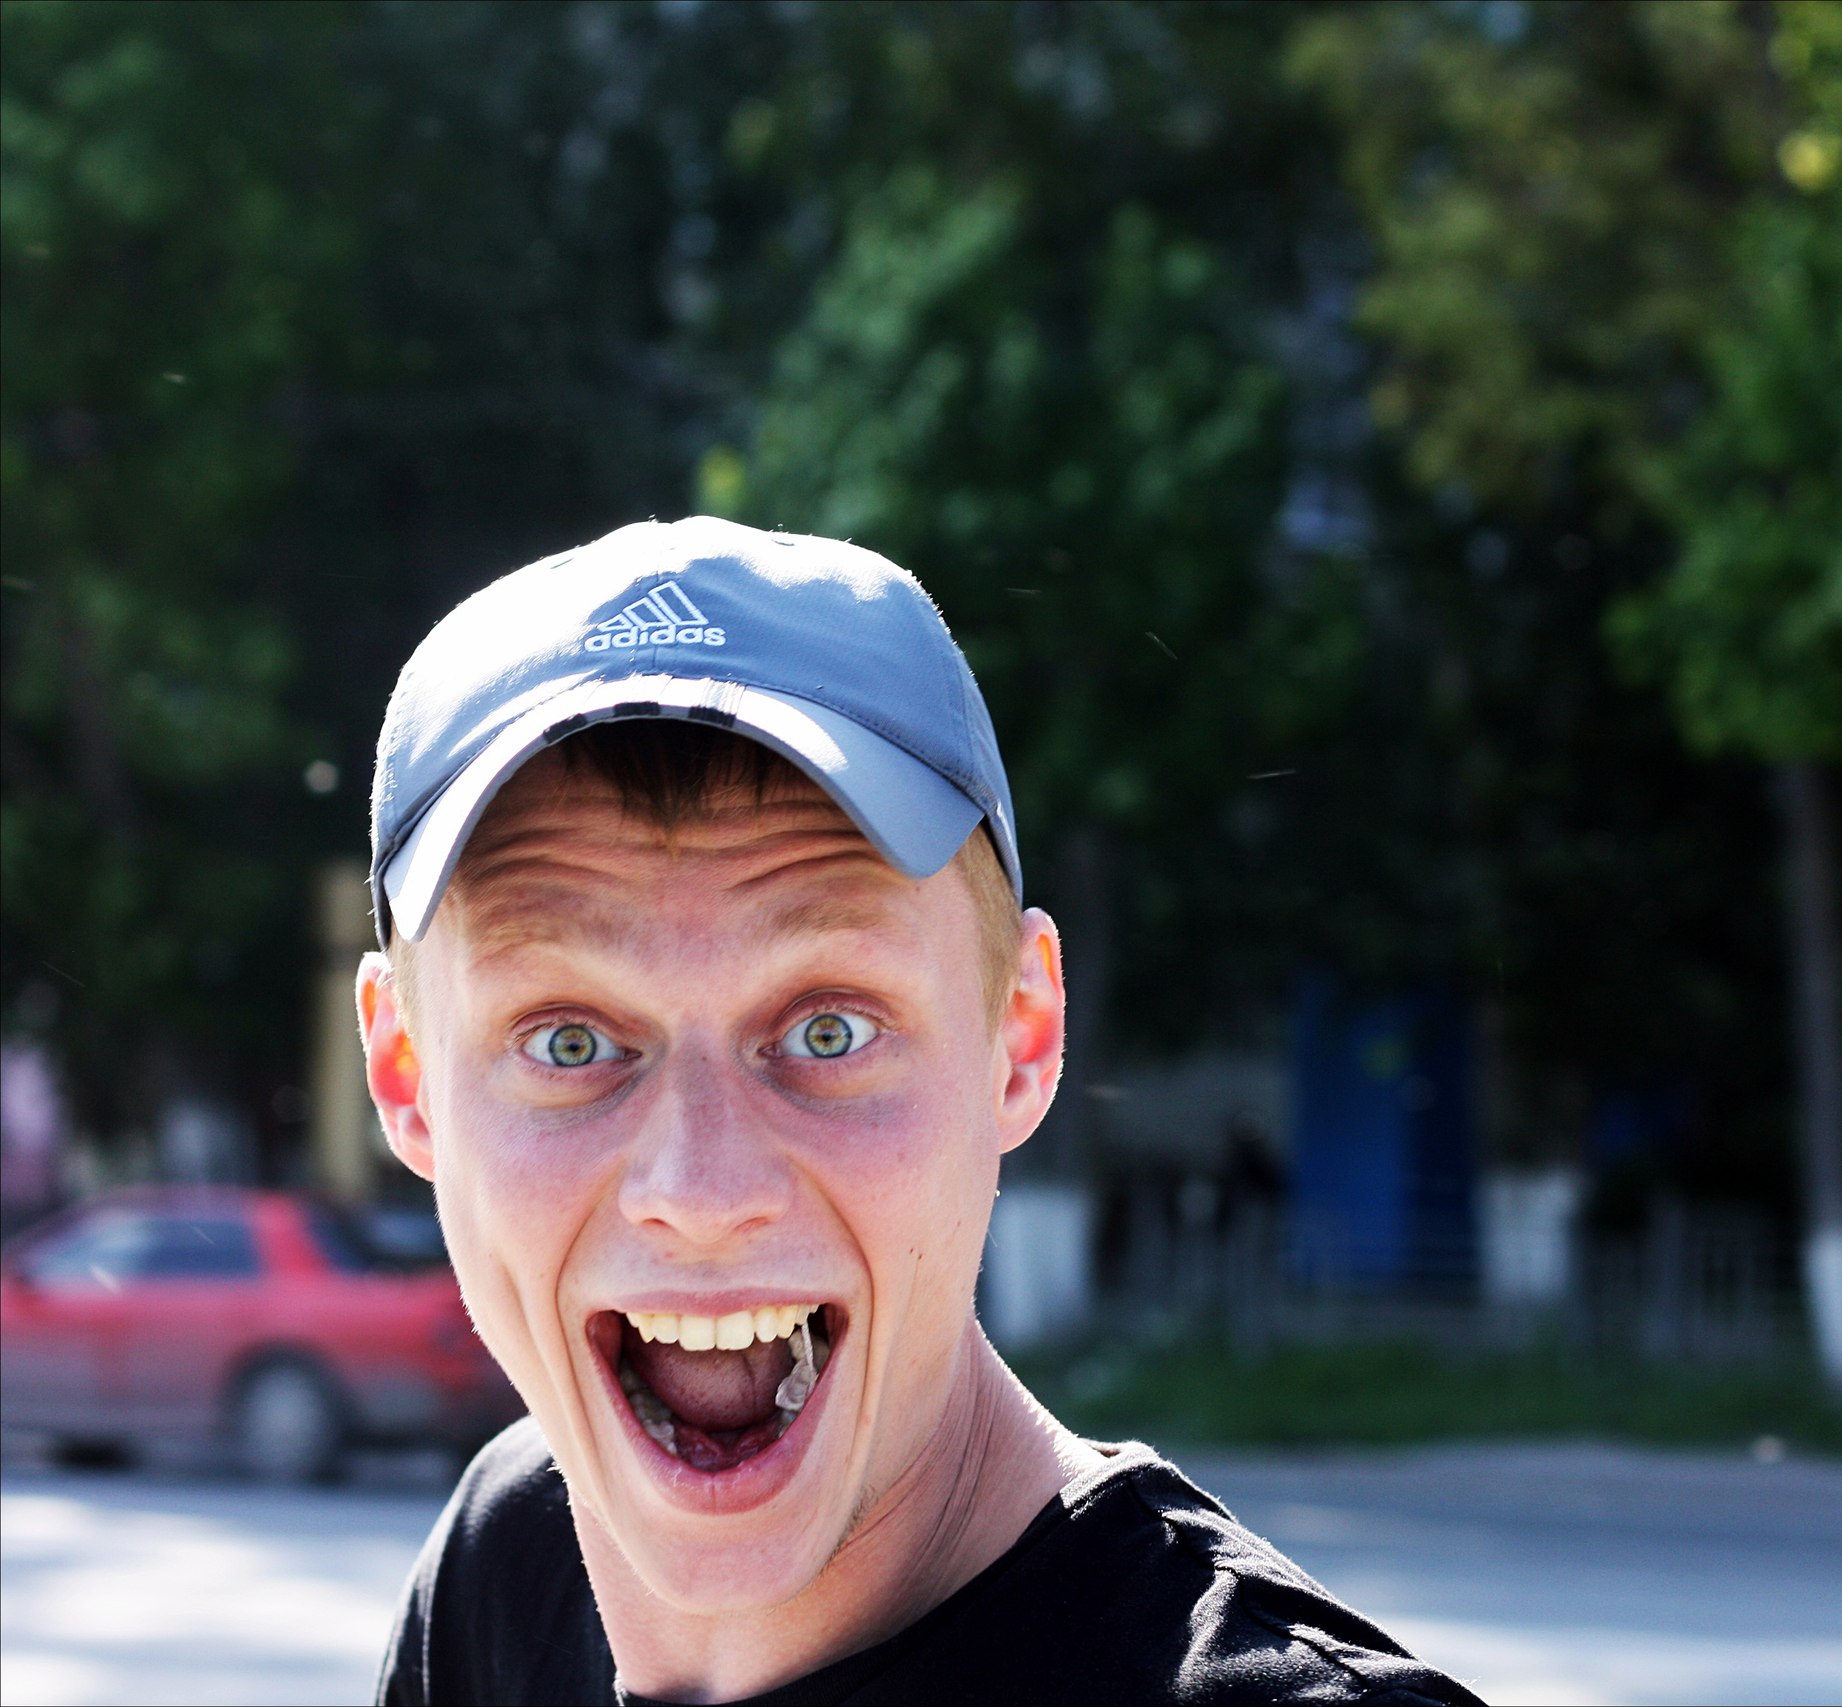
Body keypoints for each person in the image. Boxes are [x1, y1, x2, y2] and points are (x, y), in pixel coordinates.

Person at [363, 518, 1479, 1706]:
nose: (701, 1192)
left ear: (1020, 1039)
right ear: (406, 1078)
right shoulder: (506, 1572)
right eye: (569, 1044)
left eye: (827, 1031)